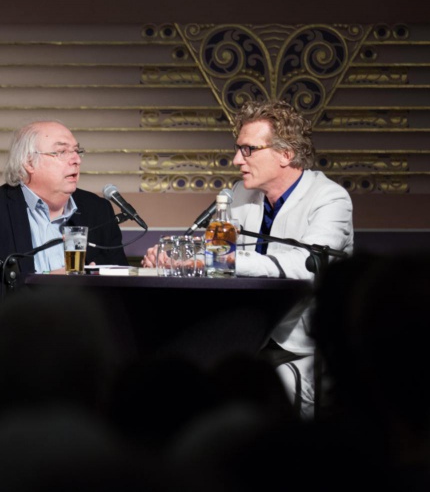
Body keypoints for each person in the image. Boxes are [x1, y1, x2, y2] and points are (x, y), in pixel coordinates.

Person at [142, 99, 354, 419]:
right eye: (237, 149)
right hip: (244, 338)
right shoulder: (240, 195)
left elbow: (305, 266)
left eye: (248, 150)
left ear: (286, 154)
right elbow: (214, 254)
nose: (236, 160)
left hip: (301, 350)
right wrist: (175, 257)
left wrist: (222, 261)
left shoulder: (329, 198)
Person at [0, 120, 128, 419]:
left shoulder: (97, 210)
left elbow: (119, 282)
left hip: (83, 352)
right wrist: (39, 284)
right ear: (28, 163)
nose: (76, 158)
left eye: (77, 150)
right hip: (13, 354)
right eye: (61, 152)